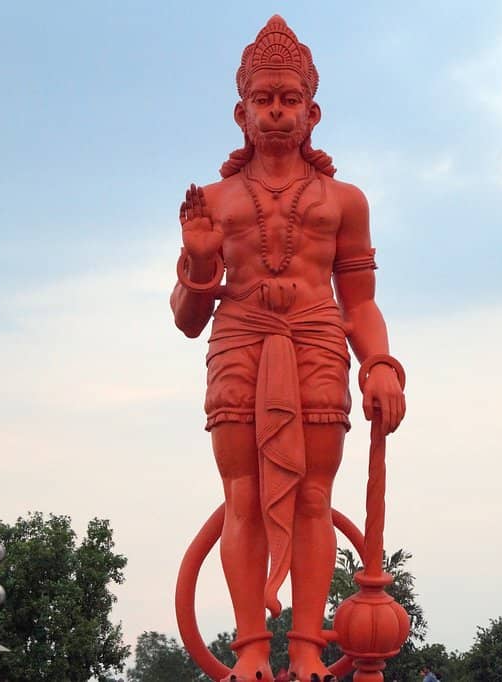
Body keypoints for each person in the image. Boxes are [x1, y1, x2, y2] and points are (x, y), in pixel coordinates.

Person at [170, 15, 406, 682]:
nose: (276, 111)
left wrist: (379, 365)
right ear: (241, 113)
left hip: (317, 341)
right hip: (239, 341)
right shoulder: (213, 202)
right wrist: (200, 262)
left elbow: (359, 302)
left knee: (313, 496)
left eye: (289, 99)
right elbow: (188, 319)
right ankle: (251, 647)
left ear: (312, 112)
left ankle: (305, 646)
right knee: (242, 494)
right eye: (264, 99)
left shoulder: (345, 201)